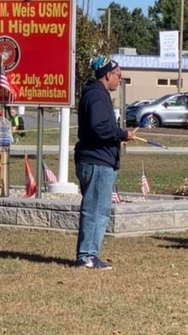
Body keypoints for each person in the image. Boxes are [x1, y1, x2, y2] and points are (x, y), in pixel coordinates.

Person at [74, 56, 136, 270]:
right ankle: (87, 256)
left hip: (95, 158)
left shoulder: (94, 94)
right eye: (119, 75)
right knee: (96, 209)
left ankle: (89, 253)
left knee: (97, 207)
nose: (119, 80)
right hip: (97, 161)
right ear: (108, 74)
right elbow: (100, 127)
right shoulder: (98, 96)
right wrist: (122, 134)